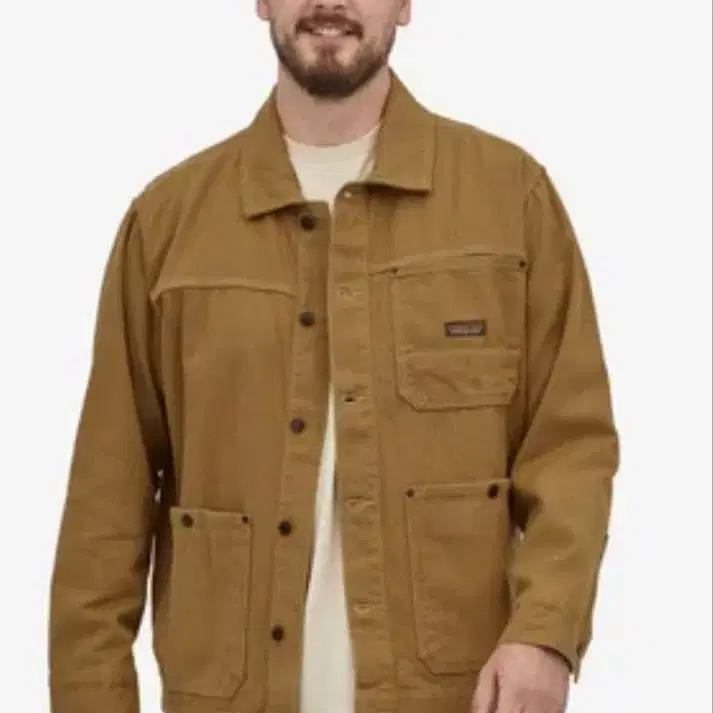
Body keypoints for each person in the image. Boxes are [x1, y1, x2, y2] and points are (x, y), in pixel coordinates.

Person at [48, 2, 619, 712]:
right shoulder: (168, 224)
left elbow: (570, 450)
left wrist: (544, 634)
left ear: (404, 6)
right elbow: (107, 501)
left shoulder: (509, 201)